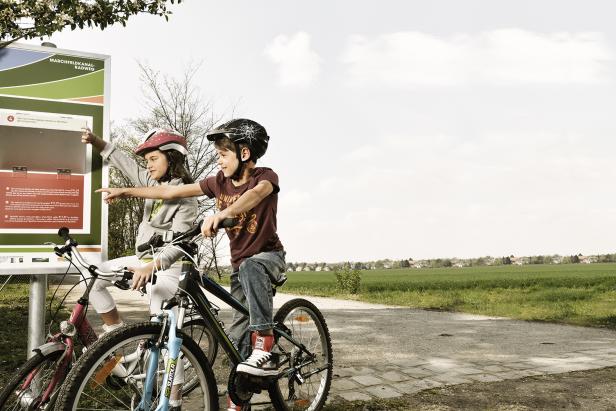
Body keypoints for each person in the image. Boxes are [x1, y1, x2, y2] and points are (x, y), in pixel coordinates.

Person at [97, 118, 286, 410]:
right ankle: (240, 402)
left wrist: (224, 214)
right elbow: (170, 192)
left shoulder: (265, 175)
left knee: (251, 268)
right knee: (235, 346)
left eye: (224, 154)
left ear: (244, 154)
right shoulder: (217, 182)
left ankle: (266, 344)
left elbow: (256, 194)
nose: (218, 160)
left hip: (268, 259)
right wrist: (125, 192)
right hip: (240, 270)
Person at [82, 128, 198, 410]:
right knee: (94, 276)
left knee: (167, 330)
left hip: (171, 267)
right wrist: (97, 142)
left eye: (154, 158)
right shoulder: (150, 182)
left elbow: (181, 245)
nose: (148, 164)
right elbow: (124, 162)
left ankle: (174, 400)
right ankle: (118, 336)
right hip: (144, 260)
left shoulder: (186, 197)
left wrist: (154, 265)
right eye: (146, 160)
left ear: (172, 158)